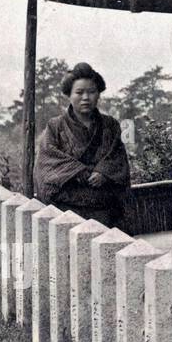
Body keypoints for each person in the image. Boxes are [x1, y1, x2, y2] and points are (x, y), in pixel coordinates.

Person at [34, 62, 132, 227]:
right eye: (79, 92)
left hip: (105, 206)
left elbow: (118, 157)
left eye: (92, 92)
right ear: (69, 95)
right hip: (68, 208)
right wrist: (78, 172)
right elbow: (47, 161)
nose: (86, 98)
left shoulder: (110, 125)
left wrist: (104, 172)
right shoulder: (55, 126)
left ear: (99, 94)